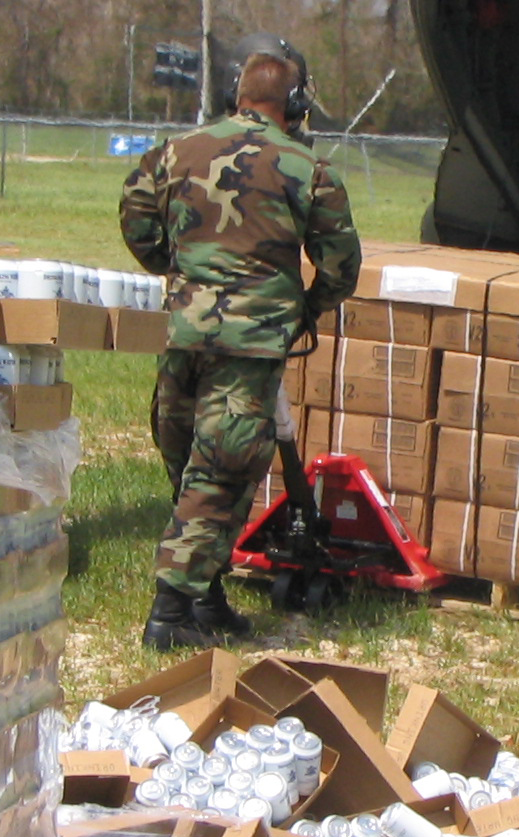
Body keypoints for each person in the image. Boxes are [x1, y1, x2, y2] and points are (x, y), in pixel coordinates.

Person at [119, 34, 361, 648]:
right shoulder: (308, 169)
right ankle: (170, 615)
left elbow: (136, 216)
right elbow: (341, 265)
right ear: (295, 105)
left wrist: (181, 275)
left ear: (237, 94)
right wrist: (302, 309)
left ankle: (206, 599)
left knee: (188, 465)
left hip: (186, 335)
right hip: (249, 349)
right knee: (220, 475)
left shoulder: (175, 151)